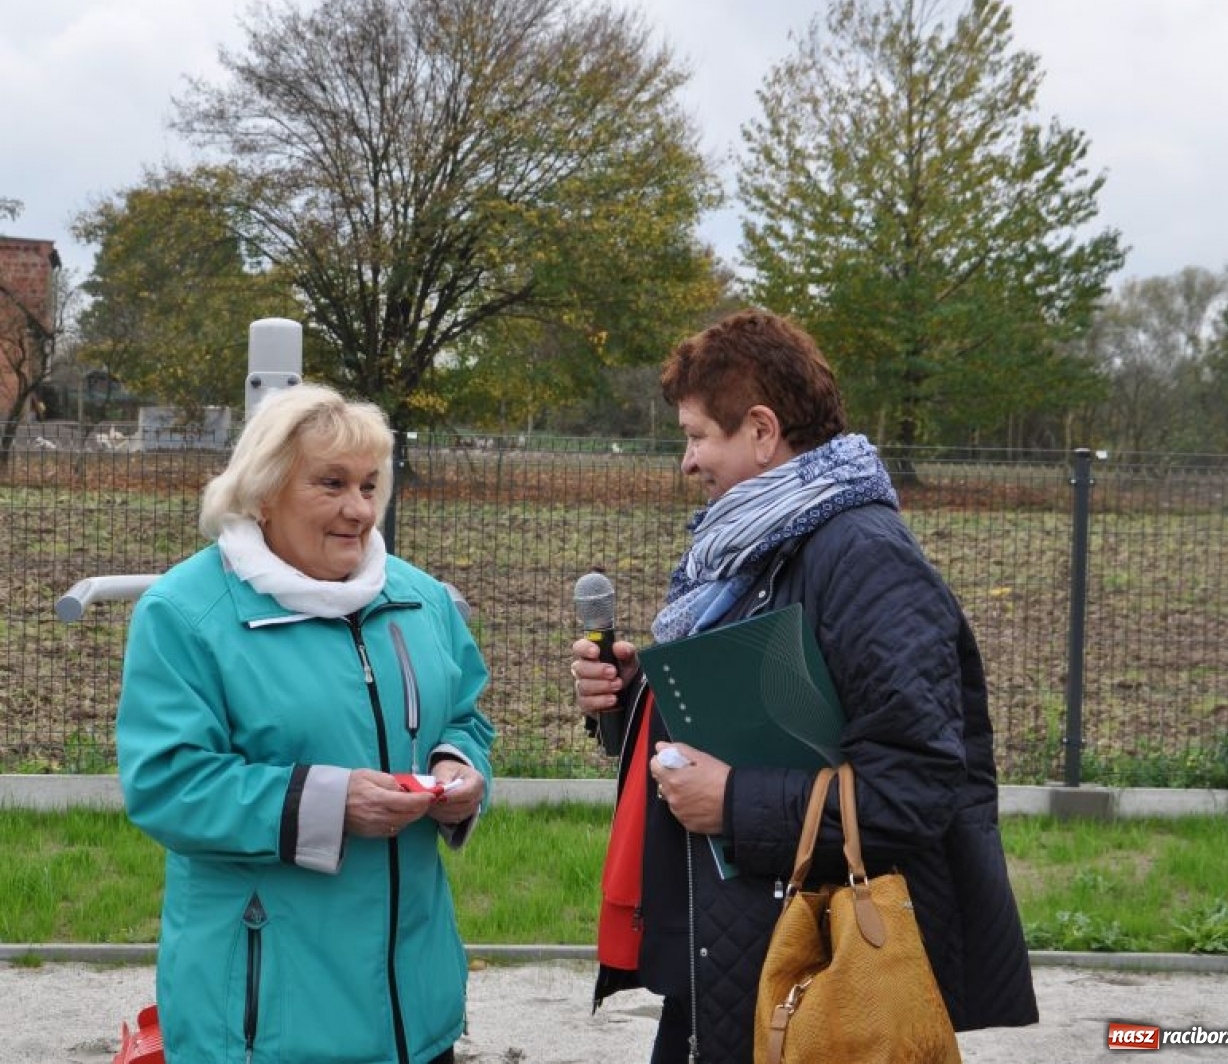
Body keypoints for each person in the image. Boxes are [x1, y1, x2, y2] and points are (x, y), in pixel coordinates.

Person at [572, 309, 1038, 1063]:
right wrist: (632, 704)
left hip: (814, 971)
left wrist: (731, 803)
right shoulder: (758, 548)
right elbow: (754, 723)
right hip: (736, 954)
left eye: (696, 436)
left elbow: (915, 786)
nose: (686, 462)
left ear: (760, 431)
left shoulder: (863, 558)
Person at [117, 383, 495, 1064]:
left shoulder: (418, 599)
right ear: (263, 492)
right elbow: (168, 785)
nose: (358, 509)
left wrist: (457, 768)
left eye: (369, 485)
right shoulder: (184, 614)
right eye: (331, 484)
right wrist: (330, 802)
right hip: (267, 1021)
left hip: (417, 1006)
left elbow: (465, 715)